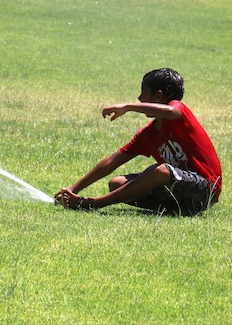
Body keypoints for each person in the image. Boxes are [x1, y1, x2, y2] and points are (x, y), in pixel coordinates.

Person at [55, 68, 221, 216]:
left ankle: (93, 204)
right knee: (116, 183)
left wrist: (128, 107)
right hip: (178, 194)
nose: (140, 98)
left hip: (205, 189)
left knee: (161, 170)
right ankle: (173, 211)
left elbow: (171, 111)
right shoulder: (149, 134)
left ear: (158, 96)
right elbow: (112, 161)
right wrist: (72, 189)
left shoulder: (179, 111)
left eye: (143, 93)